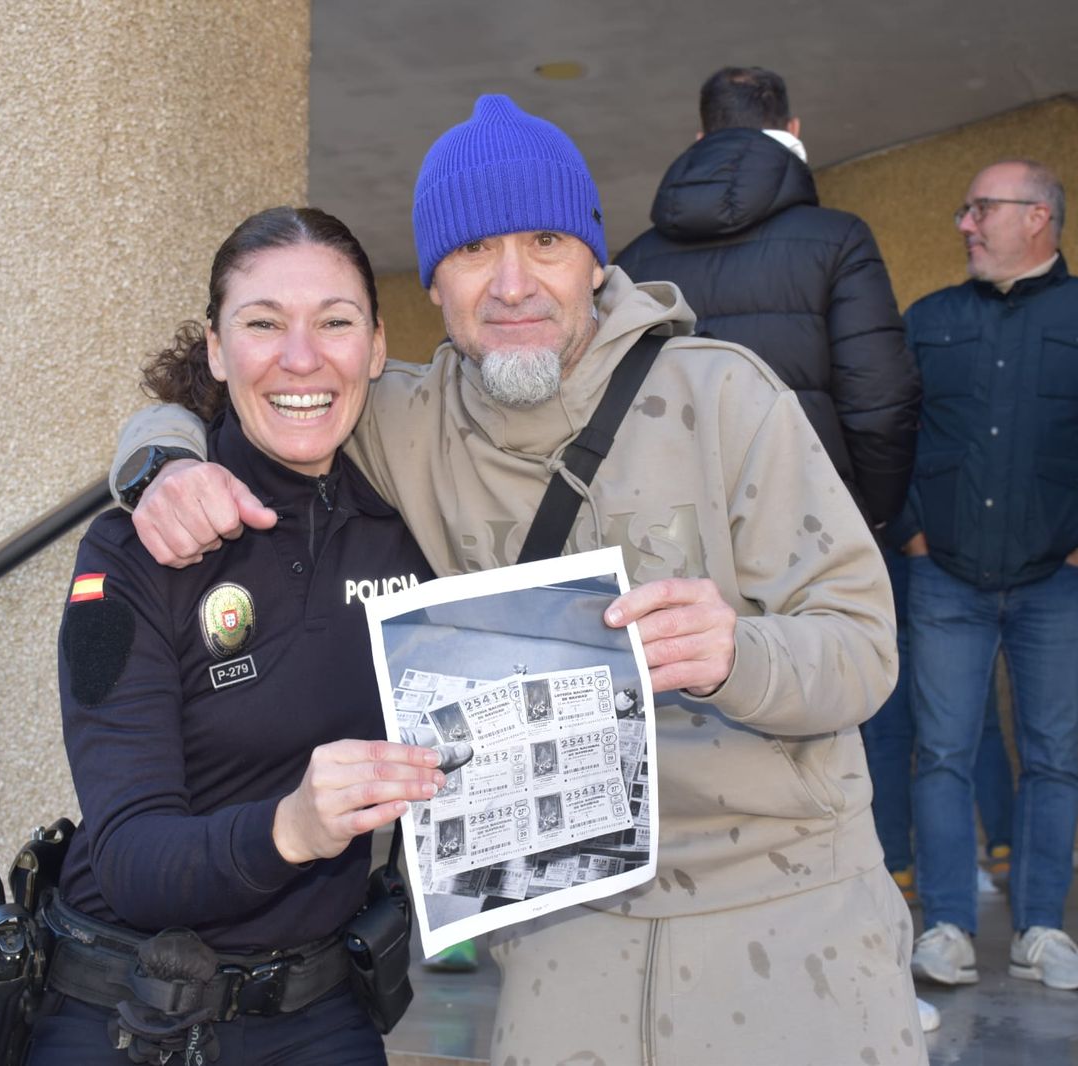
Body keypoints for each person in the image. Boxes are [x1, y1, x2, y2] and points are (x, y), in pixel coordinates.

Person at [111, 94, 924, 1065]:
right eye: (470, 253)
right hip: (559, 930)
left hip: (786, 915)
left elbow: (865, 651)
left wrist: (737, 652)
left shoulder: (727, 397)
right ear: (433, 286)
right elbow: (247, 395)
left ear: (592, 257)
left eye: (544, 241)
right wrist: (160, 466)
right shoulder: (403, 419)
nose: (511, 285)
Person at [31, 207, 443, 1065]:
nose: (303, 358)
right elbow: (131, 857)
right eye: (263, 324)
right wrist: (292, 827)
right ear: (217, 350)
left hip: (323, 1004)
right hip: (130, 1012)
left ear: (376, 348)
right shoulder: (134, 546)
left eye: (336, 322)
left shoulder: (417, 524)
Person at [888, 159, 1078, 993]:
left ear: (1038, 217)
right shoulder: (928, 320)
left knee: (1052, 759)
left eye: (980, 209)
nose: (965, 224)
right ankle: (947, 930)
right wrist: (911, 531)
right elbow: (884, 432)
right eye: (966, 210)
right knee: (940, 756)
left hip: (1055, 583)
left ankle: (1043, 929)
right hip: (946, 580)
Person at [613, 64, 918, 528]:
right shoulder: (840, 239)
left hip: (680, 526)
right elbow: (879, 400)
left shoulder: (635, 259)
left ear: (701, 138)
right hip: (814, 519)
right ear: (792, 130)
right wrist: (870, 512)